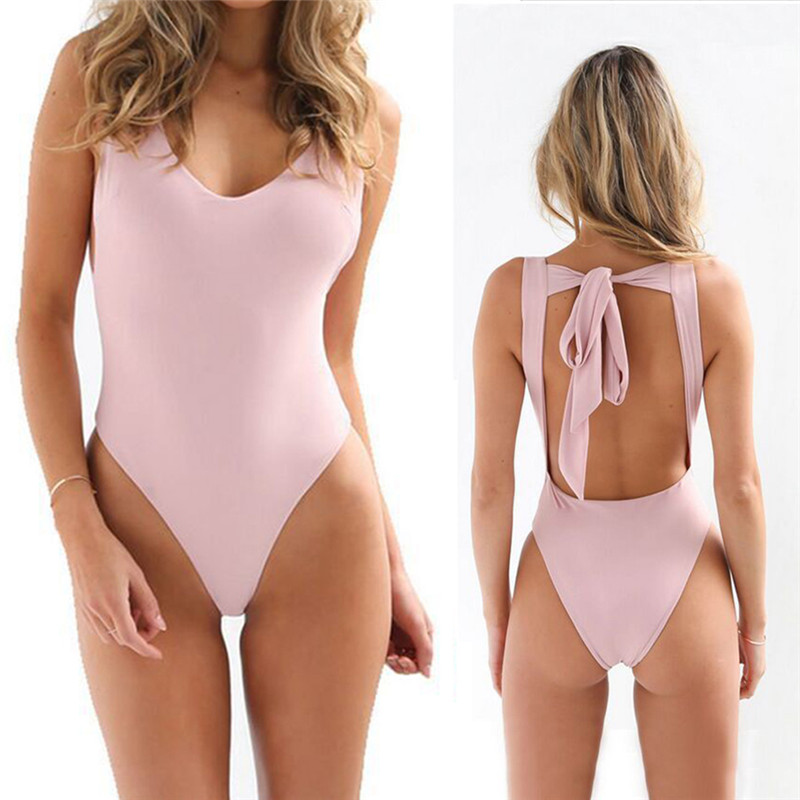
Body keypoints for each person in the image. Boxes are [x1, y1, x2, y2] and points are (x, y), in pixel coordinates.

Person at [17, 2, 432, 798]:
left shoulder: (364, 117)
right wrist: (78, 526)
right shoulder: (98, 76)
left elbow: (335, 351)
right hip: (141, 524)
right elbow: (43, 315)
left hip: (322, 524)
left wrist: (392, 561)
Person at [471, 45, 765, 799]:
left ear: (564, 152)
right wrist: (755, 625)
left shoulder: (513, 293)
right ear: (667, 152)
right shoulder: (714, 292)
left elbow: (490, 486)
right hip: (683, 578)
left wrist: (501, 621)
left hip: (557, 578)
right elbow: (739, 485)